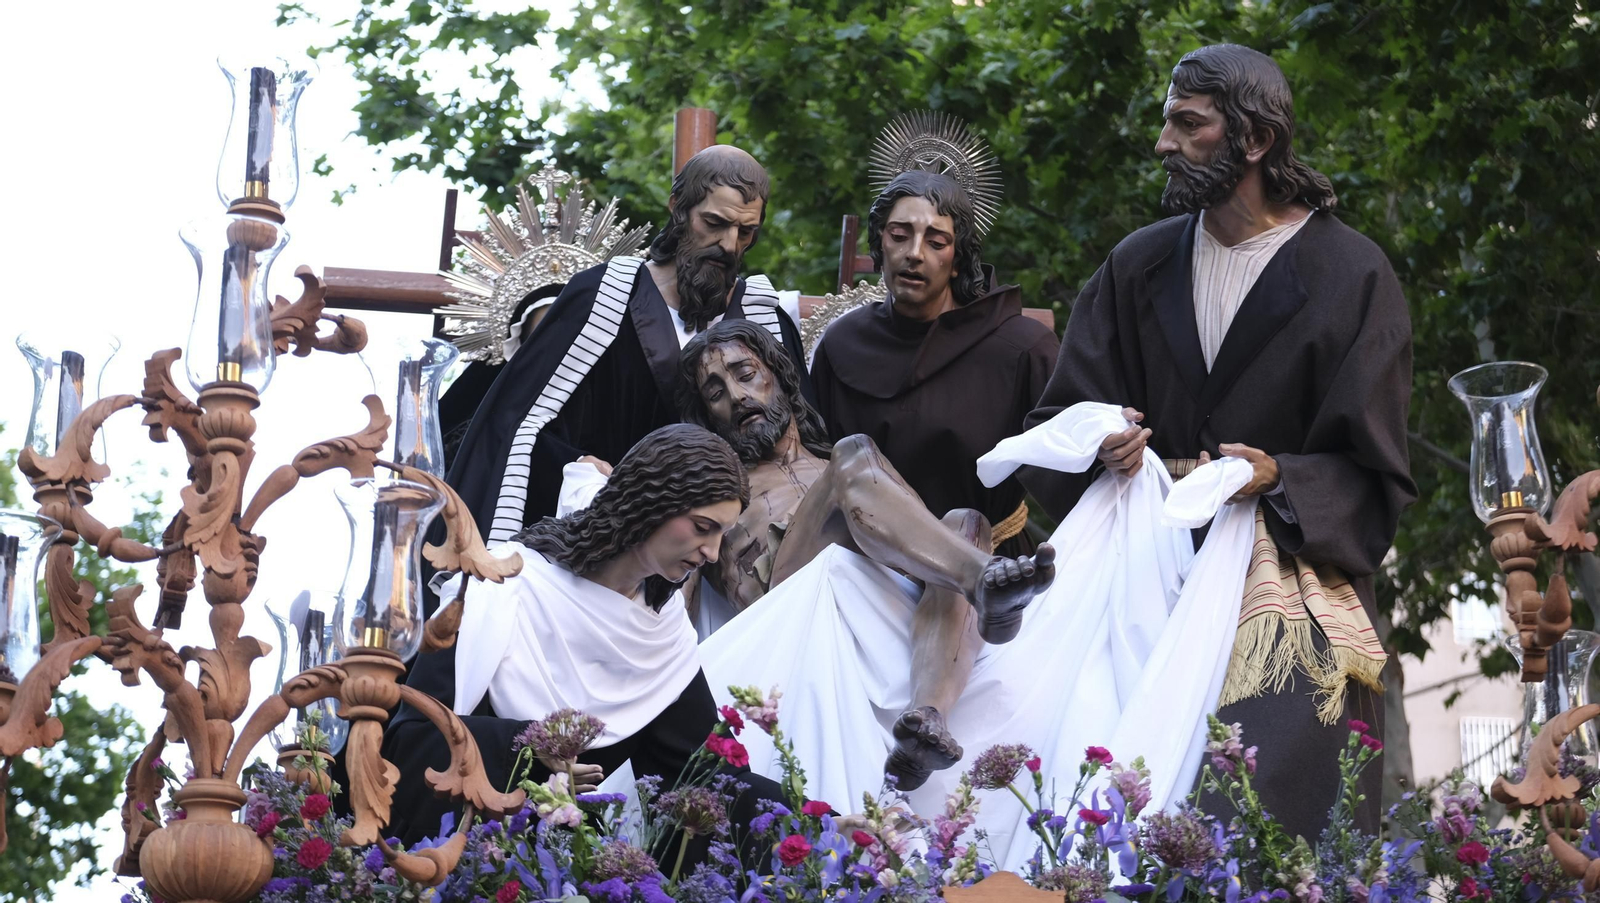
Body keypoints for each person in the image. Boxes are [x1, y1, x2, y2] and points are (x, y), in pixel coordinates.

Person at [1020, 44, 1415, 839]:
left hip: (1284, 586)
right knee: (1060, 754)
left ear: (1255, 140)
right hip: (1139, 575)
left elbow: (1375, 477)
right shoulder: (1137, 264)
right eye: (1169, 122)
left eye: (1186, 124)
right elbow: (1060, 417)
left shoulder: (1352, 274)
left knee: (1264, 800)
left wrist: (1279, 474)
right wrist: (1104, 439)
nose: (1162, 142)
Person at [662, 319, 1054, 791]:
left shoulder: (841, 466)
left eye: (745, 373)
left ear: (779, 377)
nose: (737, 395)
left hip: (883, 592)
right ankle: (982, 582)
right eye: (716, 392)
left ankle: (927, 719)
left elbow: (922, 539)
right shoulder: (714, 490)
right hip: (790, 599)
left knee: (967, 522)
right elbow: (670, 600)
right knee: (855, 455)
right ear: (707, 415)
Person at [383, 424, 787, 855]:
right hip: (479, 860)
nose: (711, 551)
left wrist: (810, 824)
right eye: (703, 526)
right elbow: (412, 741)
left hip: (587, 871)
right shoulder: (502, 588)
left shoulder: (661, 632)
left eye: (721, 533)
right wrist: (528, 749)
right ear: (650, 502)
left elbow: (704, 778)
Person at [447, 145, 811, 548]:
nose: (729, 245)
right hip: (608, 540)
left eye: (746, 232)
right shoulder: (602, 301)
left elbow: (805, 447)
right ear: (678, 208)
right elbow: (521, 430)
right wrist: (584, 472)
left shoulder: (764, 320)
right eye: (715, 222)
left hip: (732, 550)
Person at [808, 167, 1057, 560]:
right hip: (864, 569)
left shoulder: (1021, 349)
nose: (914, 253)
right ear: (879, 244)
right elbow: (812, 467)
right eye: (899, 235)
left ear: (958, 259)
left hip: (990, 569)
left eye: (936, 241)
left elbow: (1071, 458)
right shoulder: (842, 345)